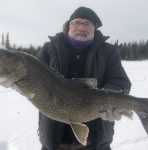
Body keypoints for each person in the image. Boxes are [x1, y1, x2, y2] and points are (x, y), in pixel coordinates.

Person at [37, 6, 131, 150]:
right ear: (69, 26)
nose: (81, 27)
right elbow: (35, 79)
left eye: (87, 24)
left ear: (94, 29)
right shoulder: (49, 49)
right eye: (76, 23)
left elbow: (120, 82)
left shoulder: (108, 52)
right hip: (53, 141)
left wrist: (107, 100)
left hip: (97, 142)